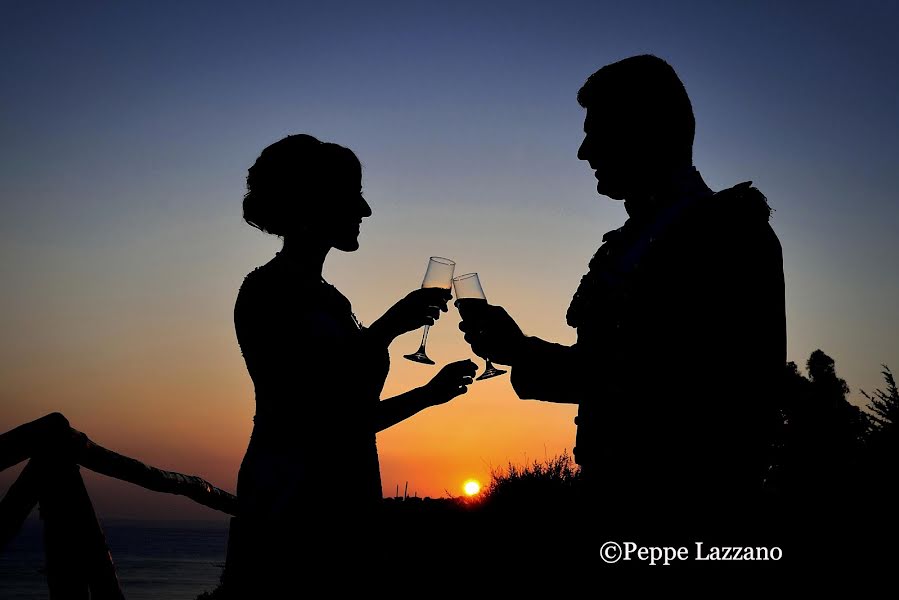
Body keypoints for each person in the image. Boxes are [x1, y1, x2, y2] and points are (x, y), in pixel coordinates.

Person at [459, 55, 786, 554]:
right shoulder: (634, 238)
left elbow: (670, 382)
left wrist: (524, 354)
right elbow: (620, 367)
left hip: (683, 517)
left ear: (646, 130)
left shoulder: (728, 231)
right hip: (613, 507)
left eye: (597, 132)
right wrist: (519, 348)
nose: (583, 151)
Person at [222, 134, 476, 590]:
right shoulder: (267, 291)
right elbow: (305, 416)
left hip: (345, 498)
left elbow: (349, 421)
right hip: (292, 504)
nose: (366, 210)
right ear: (312, 203)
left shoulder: (331, 300)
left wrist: (429, 395)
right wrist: (386, 328)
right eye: (352, 195)